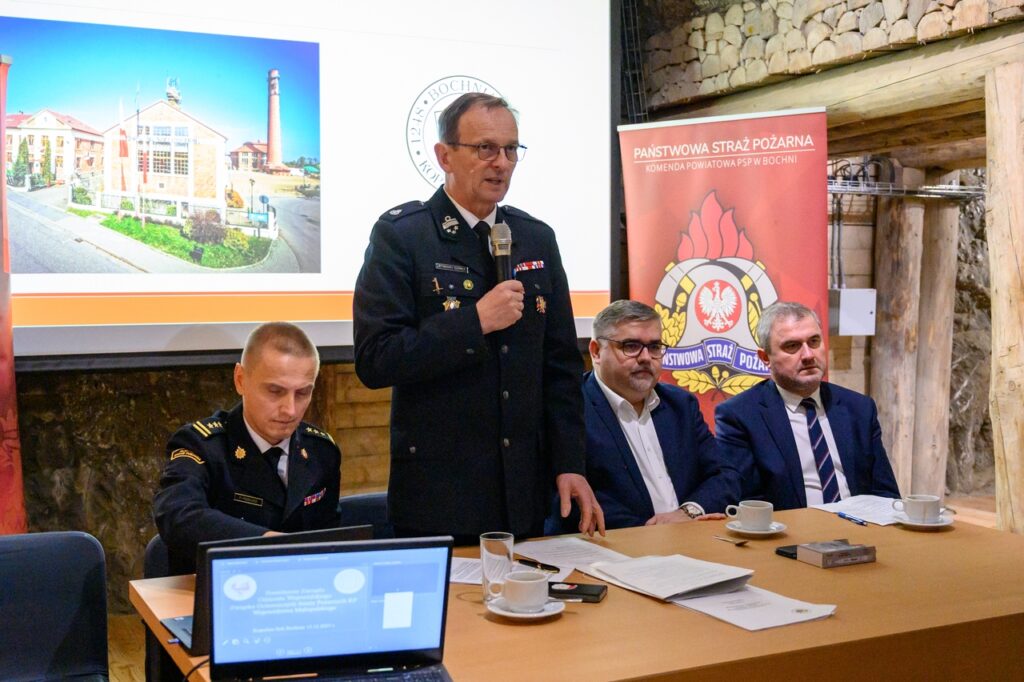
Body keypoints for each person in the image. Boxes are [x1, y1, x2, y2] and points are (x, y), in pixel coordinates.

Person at [353, 92, 603, 542]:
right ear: (444, 156)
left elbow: (561, 367)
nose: (501, 163)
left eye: (510, 150)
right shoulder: (404, 236)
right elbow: (377, 359)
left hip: (524, 494)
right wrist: (475, 322)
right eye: (485, 148)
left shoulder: (535, 238)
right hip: (440, 497)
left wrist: (570, 463)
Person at [154, 321, 341, 574]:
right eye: (275, 391)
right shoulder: (203, 445)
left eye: (302, 393)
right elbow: (177, 515)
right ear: (240, 380)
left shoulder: (321, 452)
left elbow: (329, 543)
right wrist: (267, 544)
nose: (290, 409)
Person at [549, 300, 737, 532]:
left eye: (655, 347)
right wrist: (655, 533)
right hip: (611, 545)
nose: (646, 357)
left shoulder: (680, 405)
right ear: (596, 351)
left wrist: (688, 513)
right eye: (631, 346)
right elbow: (569, 497)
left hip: (691, 539)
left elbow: (724, 476)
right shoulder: (569, 409)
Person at [714, 301, 900, 510]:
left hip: (860, 524)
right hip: (789, 528)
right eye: (792, 346)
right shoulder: (740, 416)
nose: (808, 355)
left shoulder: (859, 408)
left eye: (814, 342)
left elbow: (886, 494)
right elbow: (748, 504)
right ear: (765, 357)